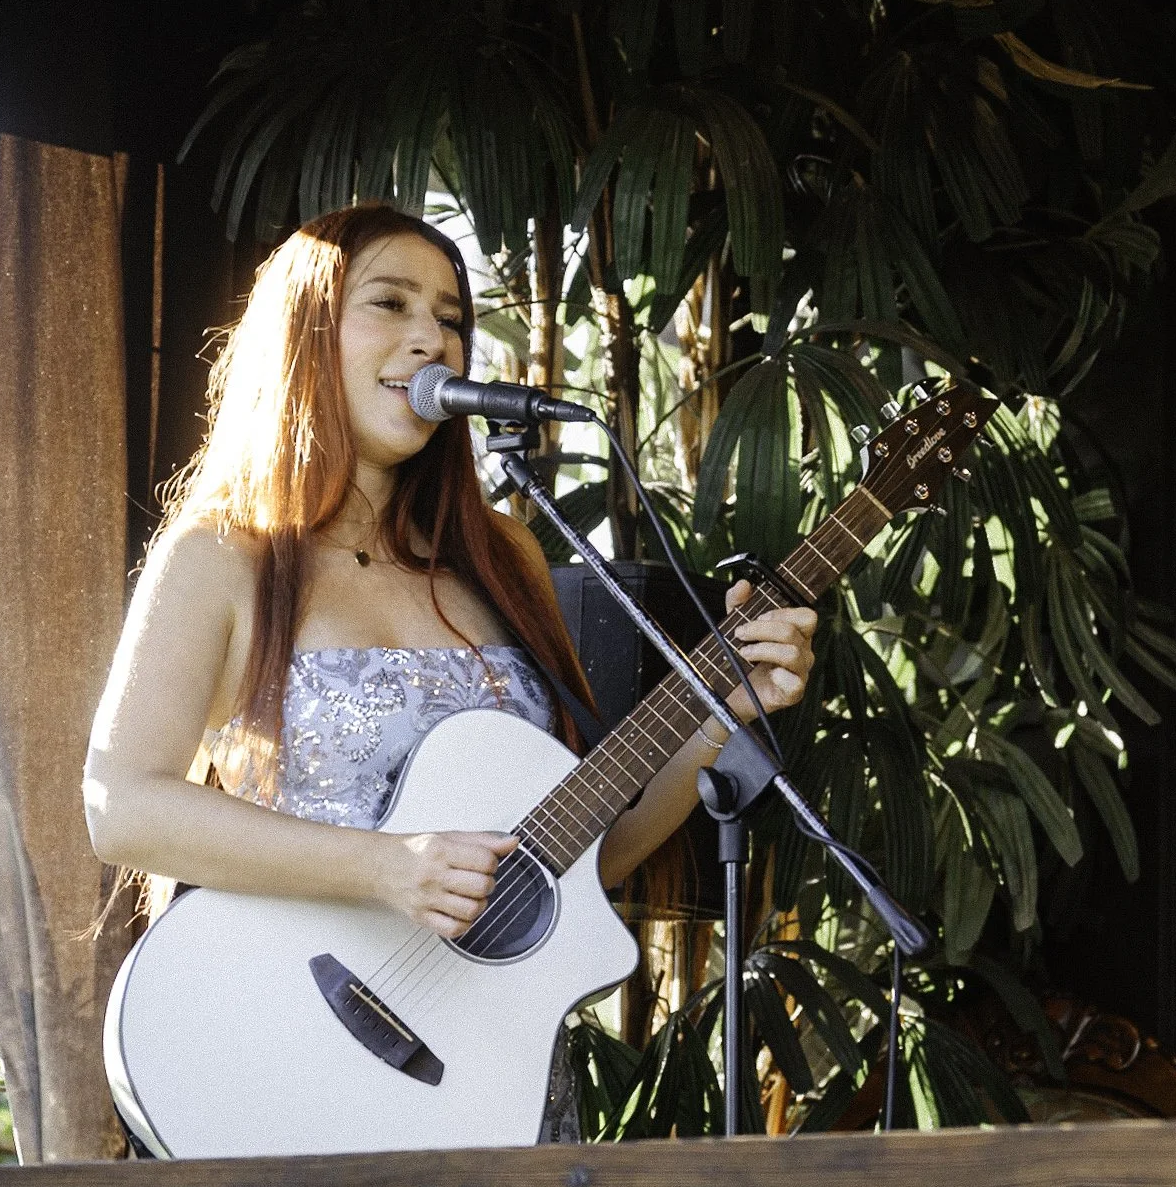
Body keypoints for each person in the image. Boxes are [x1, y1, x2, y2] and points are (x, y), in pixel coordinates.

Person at [82, 204, 816, 1135]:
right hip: (287, 1065)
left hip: (494, 1087)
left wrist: (718, 713)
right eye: (389, 304)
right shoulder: (224, 555)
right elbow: (121, 805)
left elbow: (584, 858)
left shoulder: (501, 559)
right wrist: (387, 867)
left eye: (454, 320)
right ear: (306, 334)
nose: (432, 339)